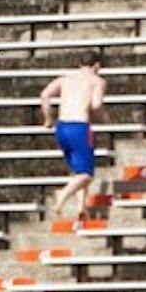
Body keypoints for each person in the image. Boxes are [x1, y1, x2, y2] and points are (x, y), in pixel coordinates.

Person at [39, 55, 107, 217]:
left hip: (62, 127)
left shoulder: (65, 79)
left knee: (78, 171)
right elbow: (96, 104)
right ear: (96, 65)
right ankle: (62, 194)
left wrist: (48, 118)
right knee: (86, 175)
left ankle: (81, 207)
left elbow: (45, 95)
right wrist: (104, 117)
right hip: (79, 126)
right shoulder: (97, 81)